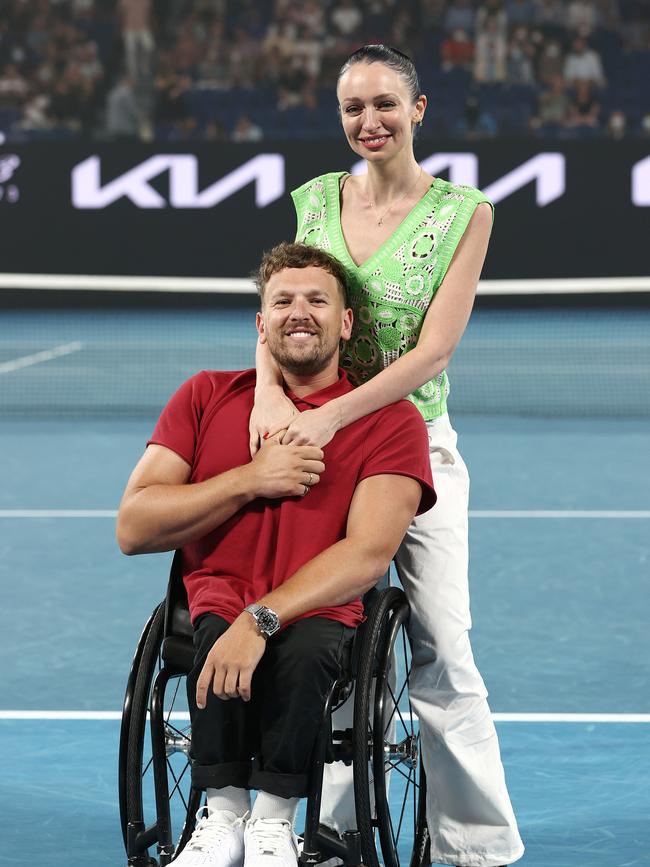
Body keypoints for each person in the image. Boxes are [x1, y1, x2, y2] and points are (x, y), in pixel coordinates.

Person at [249, 45, 525, 867]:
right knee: (327, 631)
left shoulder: (463, 213)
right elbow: (288, 298)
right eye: (351, 108)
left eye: (383, 105)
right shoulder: (317, 200)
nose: (367, 122)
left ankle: (475, 844)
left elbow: (433, 351)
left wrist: (335, 412)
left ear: (419, 110)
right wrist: (270, 392)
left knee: (443, 641)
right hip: (319, 439)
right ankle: (331, 827)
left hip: (415, 444)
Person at [117, 242, 435, 867]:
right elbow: (133, 526)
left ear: (345, 323)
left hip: (317, 612)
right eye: (282, 301)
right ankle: (220, 818)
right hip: (214, 602)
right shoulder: (207, 396)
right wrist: (251, 478)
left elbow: (370, 554)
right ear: (261, 326)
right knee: (211, 631)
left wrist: (260, 618)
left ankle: (271, 824)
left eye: (318, 300)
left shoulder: (392, 421)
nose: (300, 312)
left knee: (306, 646)